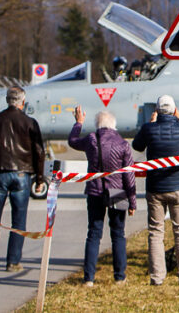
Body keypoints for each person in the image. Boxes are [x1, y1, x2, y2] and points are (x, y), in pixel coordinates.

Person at [132, 94, 179, 286]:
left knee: (156, 232)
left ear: (156, 111)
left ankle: (157, 278)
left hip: (155, 189)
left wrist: (149, 123)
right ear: (173, 110)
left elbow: (136, 145)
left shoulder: (149, 129)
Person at [0, 85, 45, 273]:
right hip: (22, 174)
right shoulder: (30, 123)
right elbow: (39, 152)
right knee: (19, 220)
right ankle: (13, 261)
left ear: (7, 100)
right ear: (23, 102)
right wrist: (39, 179)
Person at [68, 106, 137, 285]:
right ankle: (119, 276)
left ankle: (89, 278)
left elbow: (73, 141)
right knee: (118, 234)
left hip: (95, 191)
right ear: (114, 125)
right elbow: (129, 175)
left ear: (97, 125)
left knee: (93, 234)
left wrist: (78, 122)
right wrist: (132, 202)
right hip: (118, 191)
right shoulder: (123, 143)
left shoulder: (91, 139)